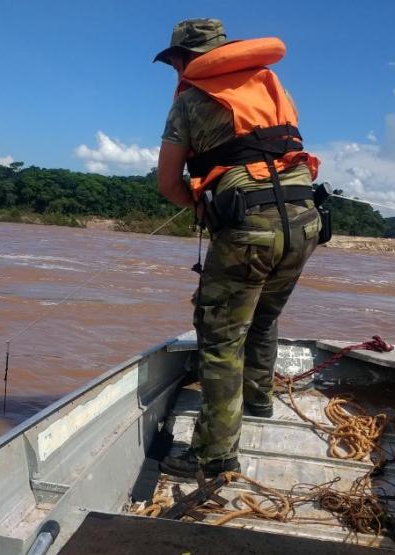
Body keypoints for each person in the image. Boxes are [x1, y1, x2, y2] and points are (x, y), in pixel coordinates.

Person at [154, 18, 322, 478]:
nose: (175, 72)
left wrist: (199, 204)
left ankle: (214, 455)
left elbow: (168, 182)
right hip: (305, 222)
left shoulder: (190, 101)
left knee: (221, 338)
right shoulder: (271, 84)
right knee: (264, 318)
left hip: (249, 228)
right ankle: (260, 403)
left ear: (186, 59)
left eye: (175, 63)